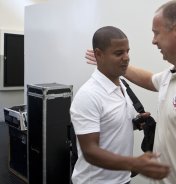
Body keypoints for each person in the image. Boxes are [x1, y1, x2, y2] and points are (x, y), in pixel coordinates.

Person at [86, 1, 176, 184]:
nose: (153, 40)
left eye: (156, 33)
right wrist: (115, 62)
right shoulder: (174, 75)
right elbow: (149, 79)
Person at [70, 26, 170, 184]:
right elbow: (90, 151)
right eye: (118, 53)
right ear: (98, 55)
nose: (126, 58)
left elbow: (110, 125)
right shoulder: (88, 95)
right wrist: (135, 163)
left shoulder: (122, 86)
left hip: (122, 180)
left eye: (127, 51)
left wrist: (136, 123)